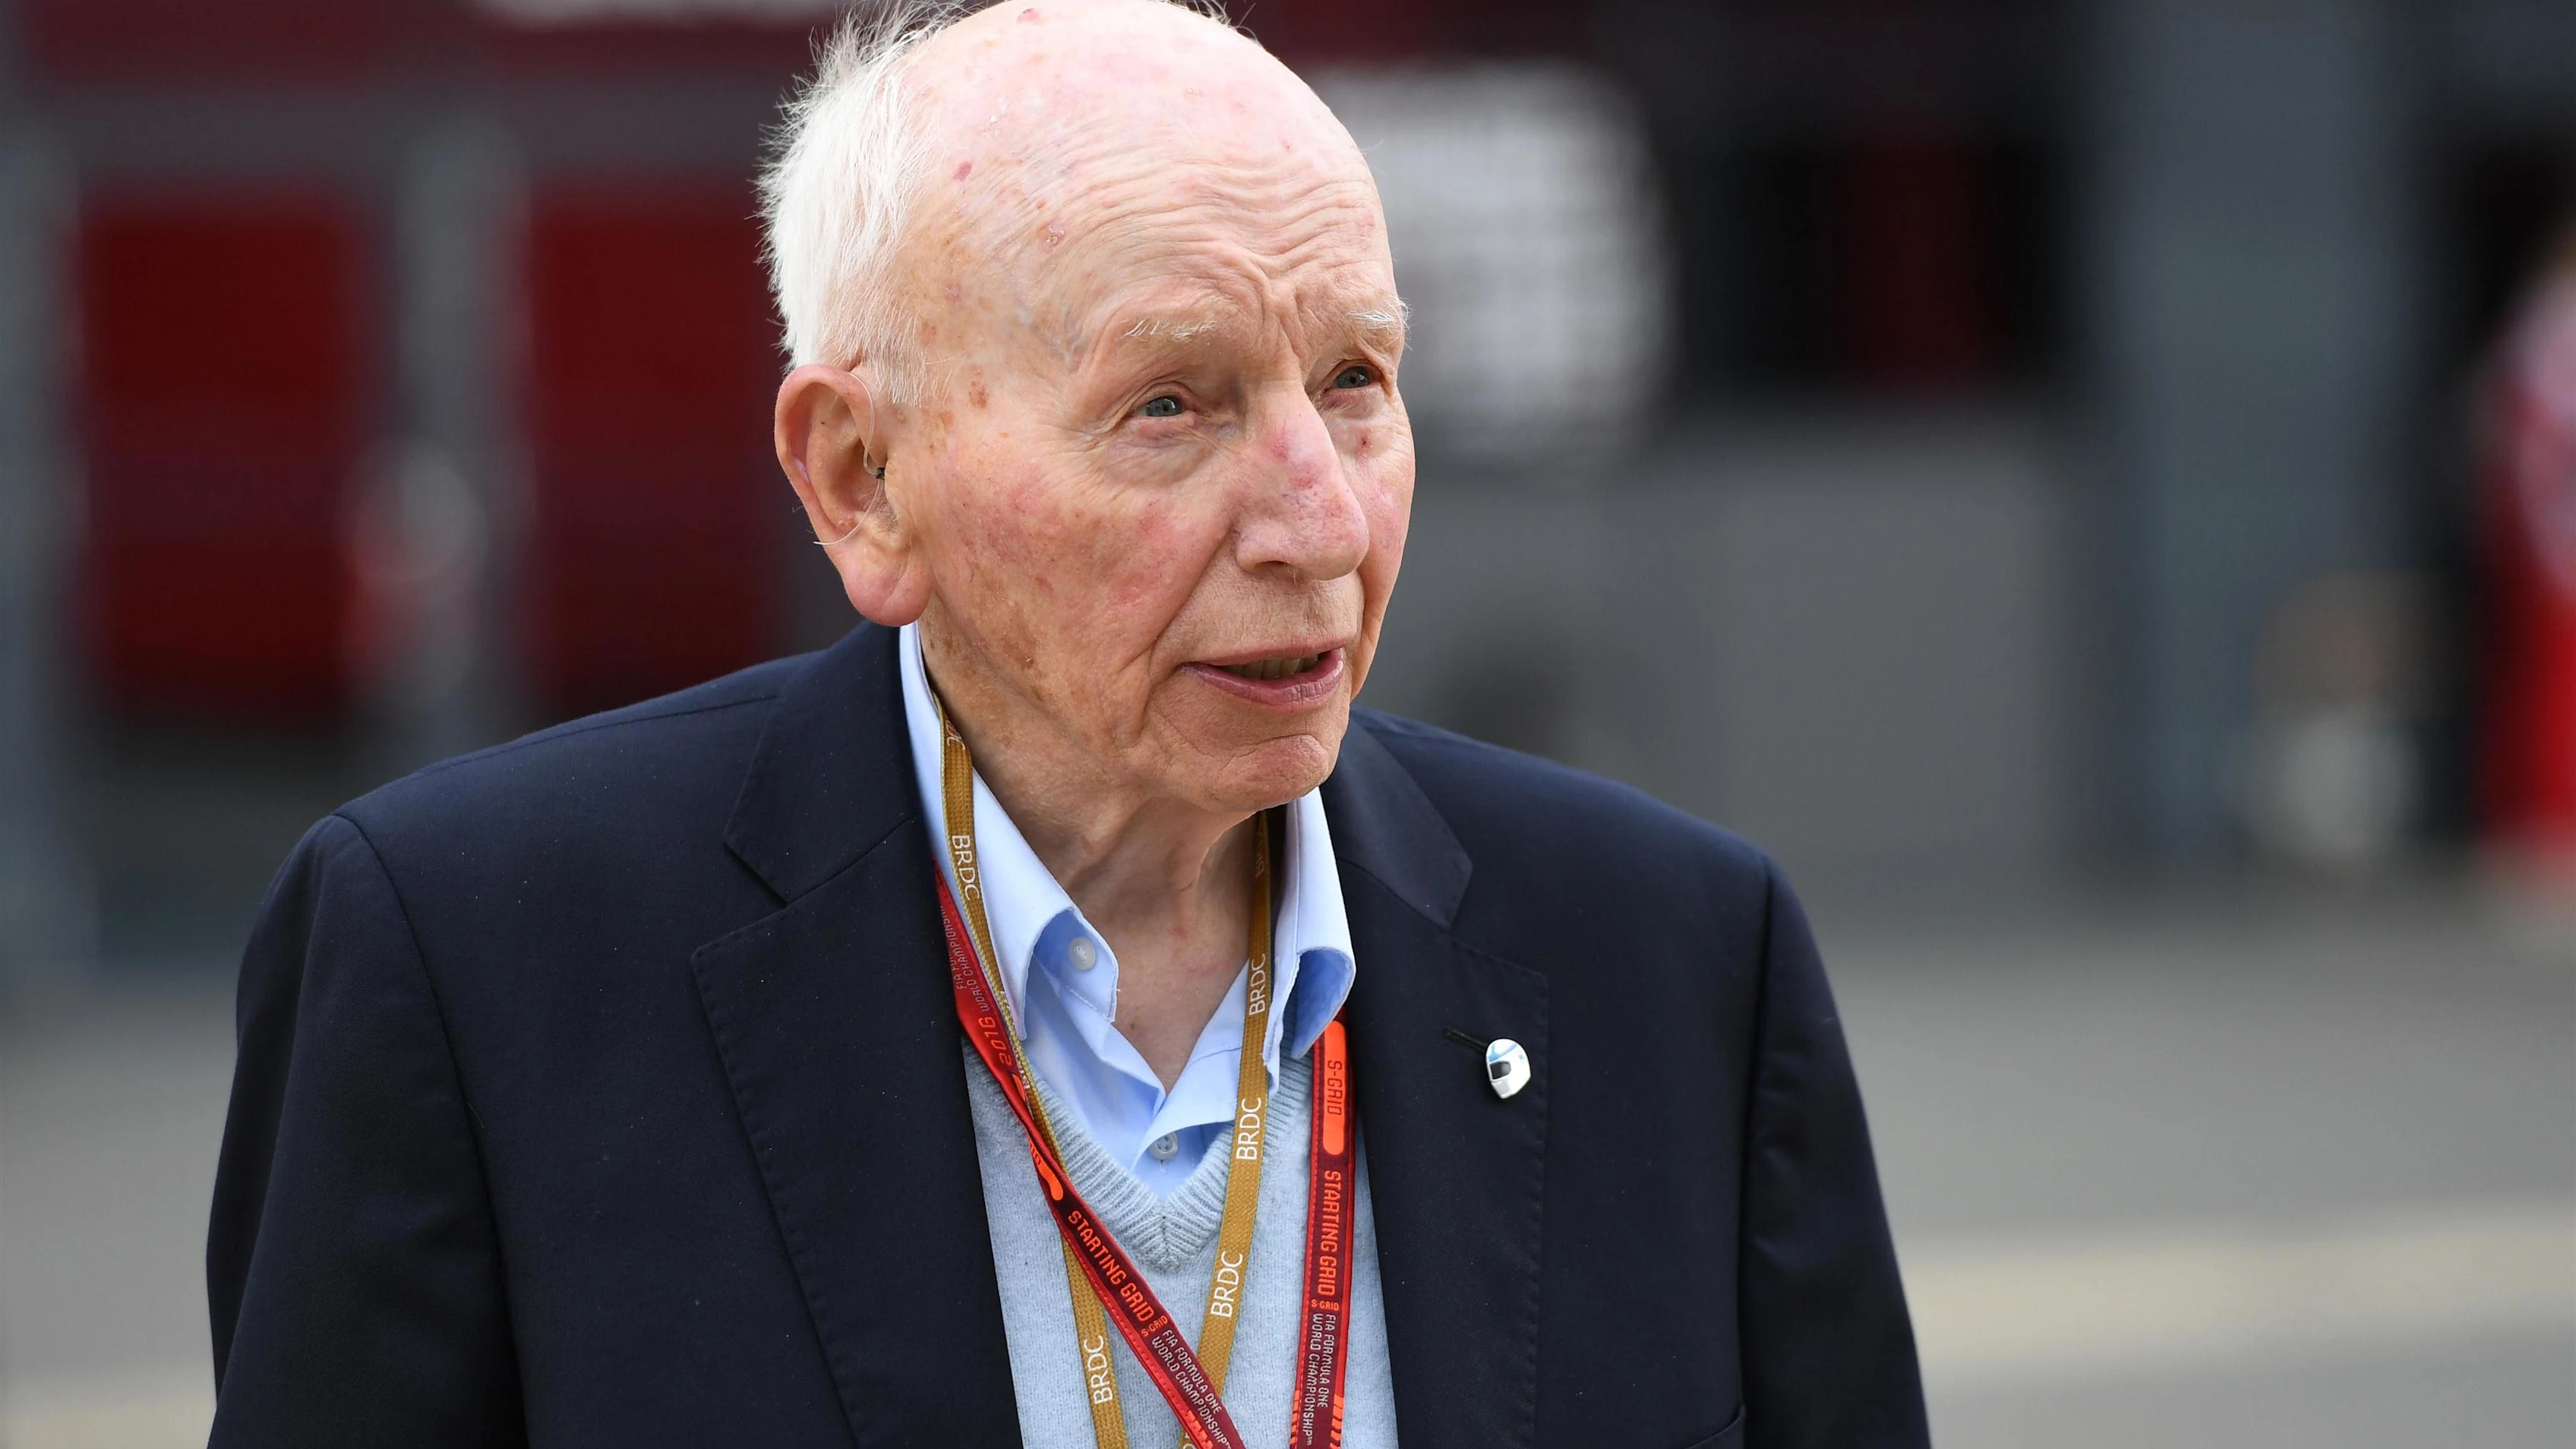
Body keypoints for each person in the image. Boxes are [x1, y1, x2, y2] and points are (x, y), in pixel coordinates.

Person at [204, 2, 1927, 1445]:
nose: (1319, 521)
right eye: (1170, 405)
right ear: (863, 481)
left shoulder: (1674, 958)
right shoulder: (478, 964)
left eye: (1355, 382)